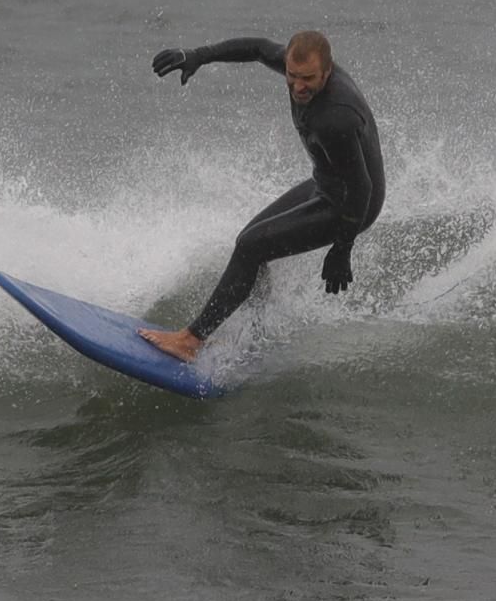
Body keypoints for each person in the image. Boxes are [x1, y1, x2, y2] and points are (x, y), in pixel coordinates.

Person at [138, 31, 385, 362]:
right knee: (250, 242)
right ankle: (255, 330)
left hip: (352, 205)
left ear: (327, 71)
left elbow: (362, 189)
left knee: (251, 247)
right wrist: (199, 55)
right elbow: (255, 48)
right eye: (292, 76)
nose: (298, 86)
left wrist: (342, 248)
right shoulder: (299, 70)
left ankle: (191, 341)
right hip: (327, 184)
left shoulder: (335, 118)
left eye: (309, 79)